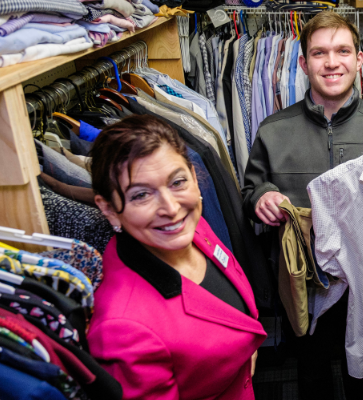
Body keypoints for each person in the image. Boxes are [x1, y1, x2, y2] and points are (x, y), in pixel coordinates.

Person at [242, 11, 363, 399]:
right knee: (310, 367)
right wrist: (261, 196)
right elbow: (250, 191)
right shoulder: (273, 130)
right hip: (305, 280)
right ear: (303, 63)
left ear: (357, 59)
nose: (332, 62)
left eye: (342, 51)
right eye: (319, 53)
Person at [87, 115, 267, 400]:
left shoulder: (192, 229)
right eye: (141, 195)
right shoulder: (121, 329)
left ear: (195, 178)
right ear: (109, 209)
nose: (170, 208)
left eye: (177, 182)